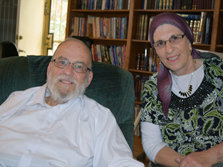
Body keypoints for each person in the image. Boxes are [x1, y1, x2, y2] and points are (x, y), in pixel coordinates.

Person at [0, 38, 144, 167]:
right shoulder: (17, 99)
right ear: (50, 69)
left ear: (88, 79)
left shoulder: (99, 118)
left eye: (79, 66)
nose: (68, 71)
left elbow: (121, 162)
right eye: (62, 62)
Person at [140, 12, 223, 167]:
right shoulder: (152, 87)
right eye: (160, 43)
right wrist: (187, 164)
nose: (169, 49)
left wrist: (209, 158)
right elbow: (151, 144)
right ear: (155, 51)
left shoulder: (222, 72)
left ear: (189, 41)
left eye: (175, 38)